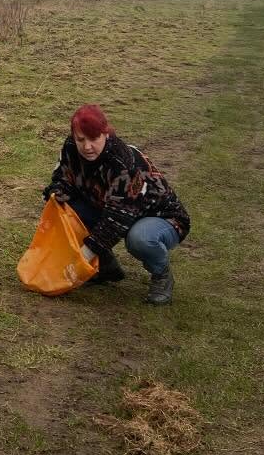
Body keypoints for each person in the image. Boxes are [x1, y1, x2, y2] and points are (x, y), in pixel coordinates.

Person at [43, 104, 190, 306]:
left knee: (139, 239)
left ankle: (161, 275)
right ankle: (105, 267)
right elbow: (62, 177)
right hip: (110, 209)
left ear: (105, 133)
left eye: (94, 139)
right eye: (81, 139)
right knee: (66, 208)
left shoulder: (123, 162)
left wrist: (83, 257)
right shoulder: (70, 148)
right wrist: (58, 191)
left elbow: (117, 220)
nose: (87, 147)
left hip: (161, 217)